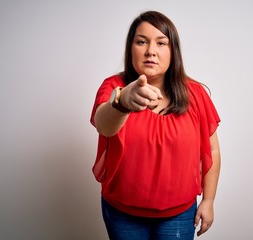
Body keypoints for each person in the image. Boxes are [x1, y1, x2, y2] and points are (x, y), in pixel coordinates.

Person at [90, 10, 221, 240]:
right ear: (131, 48)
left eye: (161, 43)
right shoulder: (114, 87)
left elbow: (212, 150)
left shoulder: (196, 94)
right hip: (122, 213)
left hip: (179, 214)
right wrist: (123, 102)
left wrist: (209, 200)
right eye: (142, 42)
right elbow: (104, 125)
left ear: (173, 52)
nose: (151, 51)